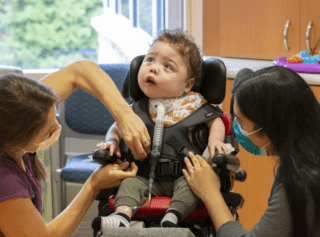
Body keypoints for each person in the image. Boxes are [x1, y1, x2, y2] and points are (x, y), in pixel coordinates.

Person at [0, 59, 152, 237]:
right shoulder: (6, 181)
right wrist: (93, 186)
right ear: (16, 141)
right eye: (48, 131)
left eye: (55, 117)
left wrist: (124, 115)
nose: (58, 128)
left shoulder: (21, 104)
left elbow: (80, 70)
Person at [95, 29, 229, 230]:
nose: (154, 68)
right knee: (129, 185)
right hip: (143, 175)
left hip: (185, 175)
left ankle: (173, 216)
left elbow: (217, 121)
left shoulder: (193, 104)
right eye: (150, 60)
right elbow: (116, 127)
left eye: (167, 66)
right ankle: (122, 215)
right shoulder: (136, 108)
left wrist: (215, 141)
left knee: (192, 188)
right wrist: (112, 141)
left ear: (188, 84)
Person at [183, 66, 320, 237]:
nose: (237, 129)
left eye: (240, 122)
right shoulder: (305, 155)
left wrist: (210, 193)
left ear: (270, 127)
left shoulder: (302, 179)